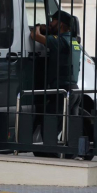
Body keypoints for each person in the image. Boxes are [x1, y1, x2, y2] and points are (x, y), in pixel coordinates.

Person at [30, 10, 82, 141]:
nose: (50, 24)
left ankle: (52, 150)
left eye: (53, 21)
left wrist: (38, 26)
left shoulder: (60, 41)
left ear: (60, 24)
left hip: (62, 92)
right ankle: (72, 150)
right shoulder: (74, 41)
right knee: (71, 128)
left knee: (49, 125)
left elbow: (34, 35)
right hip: (74, 91)